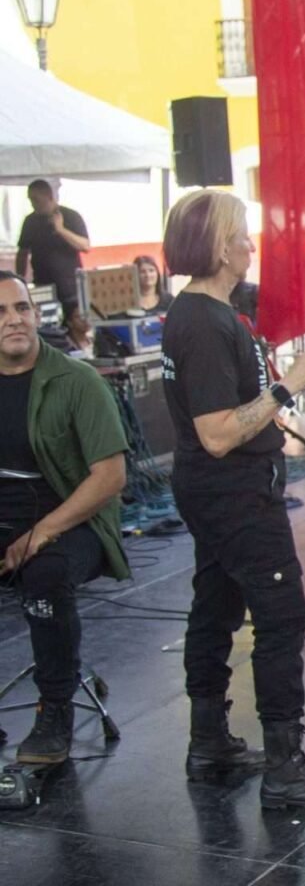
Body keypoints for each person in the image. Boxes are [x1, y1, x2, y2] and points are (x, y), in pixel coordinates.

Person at [160, 190, 305, 809]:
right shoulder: (201, 320)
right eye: (243, 235)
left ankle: (210, 744)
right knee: (281, 616)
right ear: (220, 247)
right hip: (233, 493)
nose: (251, 244)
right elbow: (216, 434)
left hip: (225, 491)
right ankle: (285, 769)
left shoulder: (211, 313)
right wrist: (287, 387)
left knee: (215, 605)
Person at [0, 271, 127, 764]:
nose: (14, 320)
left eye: (21, 308)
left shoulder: (78, 381)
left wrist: (40, 534)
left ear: (36, 314)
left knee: (45, 573)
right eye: (1, 312)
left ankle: (55, 711)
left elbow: (110, 477)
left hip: (72, 525)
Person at [15, 179, 91, 317]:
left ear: (49, 197)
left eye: (35, 199)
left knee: (75, 323)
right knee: (47, 326)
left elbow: (85, 246)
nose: (32, 204)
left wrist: (61, 230)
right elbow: (22, 252)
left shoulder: (70, 216)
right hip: (43, 285)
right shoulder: (30, 221)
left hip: (71, 286)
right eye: (30, 199)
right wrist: (20, 280)